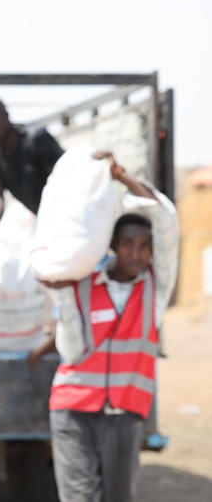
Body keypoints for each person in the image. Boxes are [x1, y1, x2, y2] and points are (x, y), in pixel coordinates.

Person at [42, 151, 178, 502]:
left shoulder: (155, 288)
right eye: (128, 245)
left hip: (125, 415)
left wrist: (123, 177)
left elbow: (165, 221)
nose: (136, 254)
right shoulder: (80, 283)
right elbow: (70, 351)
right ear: (113, 246)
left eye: (144, 247)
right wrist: (64, 298)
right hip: (73, 411)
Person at [0, 96, 64, 239]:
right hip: (44, 221)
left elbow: (65, 178)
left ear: (6, 116)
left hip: (65, 214)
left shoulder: (36, 139)